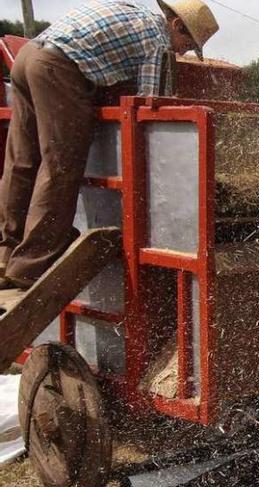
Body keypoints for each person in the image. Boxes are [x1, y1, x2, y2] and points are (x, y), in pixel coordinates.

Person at [0, 0, 219, 289]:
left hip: (28, 57)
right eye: (187, 43)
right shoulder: (157, 40)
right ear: (177, 25)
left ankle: (5, 254)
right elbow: (149, 104)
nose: (183, 52)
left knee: (22, 161)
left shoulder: (132, 11)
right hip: (58, 69)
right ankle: (31, 264)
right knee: (62, 164)